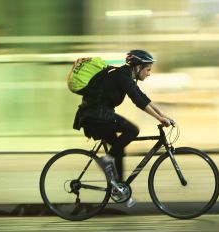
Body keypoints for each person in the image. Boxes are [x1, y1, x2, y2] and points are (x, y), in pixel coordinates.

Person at [72, 49, 175, 193]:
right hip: (96, 117)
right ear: (138, 67)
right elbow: (138, 101)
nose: (149, 73)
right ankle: (106, 161)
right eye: (148, 69)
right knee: (132, 130)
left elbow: (142, 96)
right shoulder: (122, 75)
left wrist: (163, 115)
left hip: (98, 116)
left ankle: (119, 188)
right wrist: (159, 118)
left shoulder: (125, 76)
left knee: (119, 148)